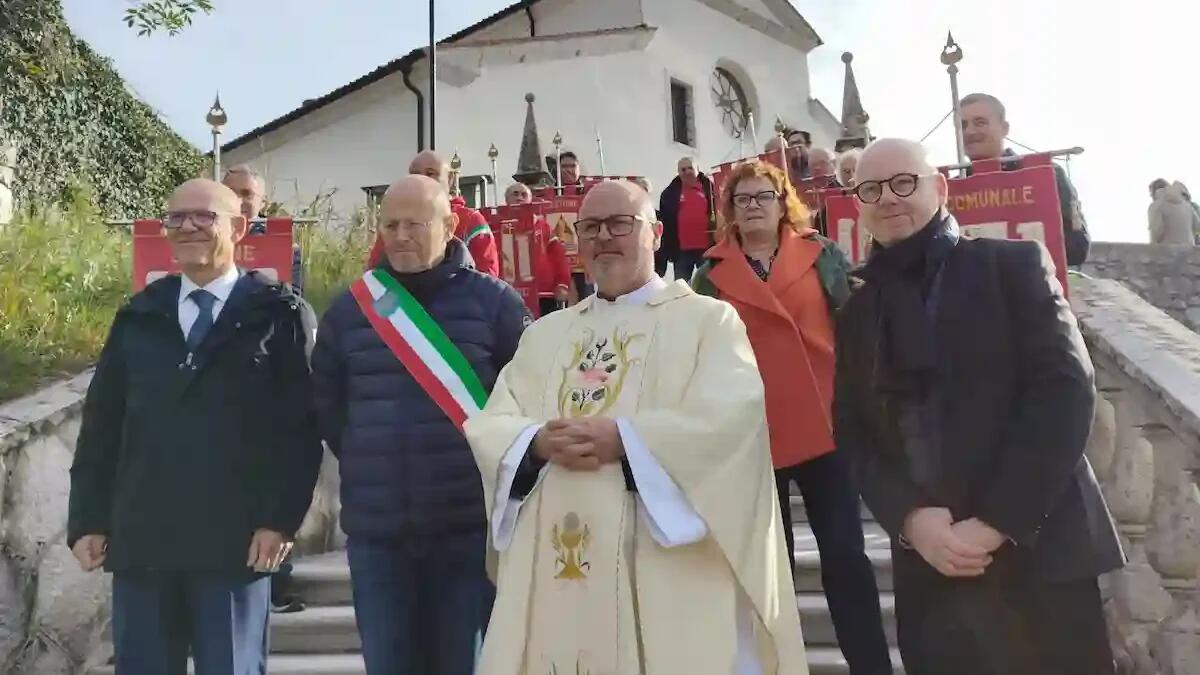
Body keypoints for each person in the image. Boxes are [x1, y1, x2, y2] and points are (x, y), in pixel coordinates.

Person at [464, 180, 807, 674]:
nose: (605, 237)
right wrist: (532, 442)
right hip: (558, 561)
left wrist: (627, 440)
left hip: (666, 570)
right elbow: (494, 422)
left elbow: (730, 417)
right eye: (591, 228)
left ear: (657, 233)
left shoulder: (708, 322)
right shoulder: (546, 334)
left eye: (621, 224)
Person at [835, 138, 1124, 675]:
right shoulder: (856, 313)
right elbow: (854, 431)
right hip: (931, 566)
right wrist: (912, 519)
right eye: (870, 188)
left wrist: (995, 521)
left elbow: (1064, 392)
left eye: (904, 182)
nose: (888, 198)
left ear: (939, 187)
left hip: (1036, 554)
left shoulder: (1010, 266)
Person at [68, 178, 323, 675]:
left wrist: (279, 519)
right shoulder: (139, 316)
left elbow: (299, 429)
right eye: (177, 218)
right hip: (144, 541)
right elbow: (102, 425)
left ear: (240, 227)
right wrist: (88, 519)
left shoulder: (276, 314)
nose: (188, 227)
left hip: (234, 544)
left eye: (204, 216)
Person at [313, 175, 530, 675]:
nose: (401, 235)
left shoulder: (496, 304)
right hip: (378, 534)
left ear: (451, 225)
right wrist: (376, 460)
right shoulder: (351, 311)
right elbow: (328, 409)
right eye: (390, 224)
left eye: (416, 224)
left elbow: (526, 407)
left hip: (468, 531)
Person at [690, 161, 892, 675]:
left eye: (763, 196)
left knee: (846, 557)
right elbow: (698, 353)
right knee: (769, 572)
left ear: (784, 202)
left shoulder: (821, 254)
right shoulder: (708, 274)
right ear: (728, 211)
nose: (753, 205)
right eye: (742, 199)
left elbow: (854, 325)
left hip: (826, 425)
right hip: (755, 436)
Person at [221, 164, 308, 614]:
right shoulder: (200, 239)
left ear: (261, 202)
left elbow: (295, 305)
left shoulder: (284, 248)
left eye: (249, 193)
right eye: (233, 191)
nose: (242, 198)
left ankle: (280, 581)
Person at [959, 92, 1091, 265]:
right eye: (962, 125)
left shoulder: (1045, 175)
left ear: (1004, 128)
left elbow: (1077, 249)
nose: (969, 131)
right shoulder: (951, 188)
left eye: (980, 122)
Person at [366, 151, 500, 277]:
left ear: (450, 178)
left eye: (430, 173)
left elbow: (487, 278)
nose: (421, 179)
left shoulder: (470, 221)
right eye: (415, 174)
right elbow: (373, 276)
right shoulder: (395, 222)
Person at [223, 164, 305, 295]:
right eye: (230, 193)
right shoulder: (197, 237)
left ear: (263, 203)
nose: (237, 201)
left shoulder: (283, 245)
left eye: (247, 194)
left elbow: (293, 301)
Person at [505, 182, 571, 314]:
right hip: (508, 294)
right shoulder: (497, 226)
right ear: (506, 200)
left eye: (524, 194)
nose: (519, 197)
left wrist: (562, 284)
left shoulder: (543, 226)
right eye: (515, 194)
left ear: (530, 200)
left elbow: (558, 257)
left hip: (543, 295)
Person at [658, 156, 716, 281]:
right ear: (678, 172)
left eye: (690, 168)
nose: (687, 172)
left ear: (698, 170)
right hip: (681, 251)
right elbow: (665, 223)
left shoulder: (710, 189)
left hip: (706, 248)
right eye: (683, 169)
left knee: (709, 286)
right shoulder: (669, 194)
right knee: (681, 288)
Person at [1148, 179, 1198, 245]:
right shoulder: (1187, 205)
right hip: (1188, 250)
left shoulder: (1156, 206)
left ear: (1154, 192)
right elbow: (1197, 225)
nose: (1151, 196)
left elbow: (1157, 232)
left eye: (1151, 194)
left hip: (1167, 251)